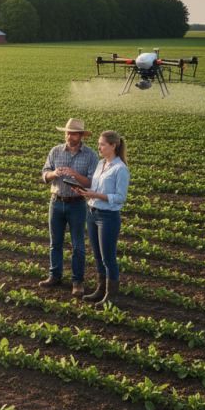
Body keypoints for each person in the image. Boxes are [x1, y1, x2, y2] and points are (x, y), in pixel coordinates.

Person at [40, 118, 99, 297]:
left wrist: (75, 175)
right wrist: (53, 174)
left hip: (77, 205)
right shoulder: (55, 151)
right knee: (55, 243)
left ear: (81, 135)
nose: (69, 136)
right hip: (56, 202)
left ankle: (77, 282)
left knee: (78, 246)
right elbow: (44, 174)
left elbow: (92, 182)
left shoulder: (90, 155)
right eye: (67, 133)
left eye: (73, 133)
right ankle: (55, 275)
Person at [75, 131, 131, 307]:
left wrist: (95, 194)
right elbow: (94, 187)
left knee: (108, 258)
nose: (98, 147)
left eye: (102, 144)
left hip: (108, 216)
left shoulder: (120, 169)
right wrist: (84, 192)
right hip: (92, 212)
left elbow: (120, 197)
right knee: (98, 256)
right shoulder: (101, 164)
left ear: (113, 146)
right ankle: (100, 290)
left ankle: (111, 296)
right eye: (99, 144)